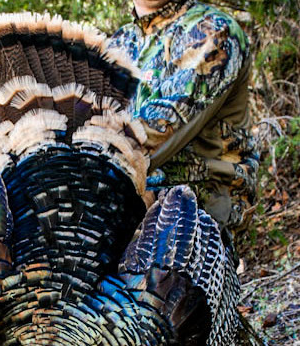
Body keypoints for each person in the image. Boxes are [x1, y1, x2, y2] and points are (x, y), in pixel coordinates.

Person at [108, 0, 258, 241]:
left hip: (198, 217)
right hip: (127, 205)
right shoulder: (119, 43)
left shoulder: (213, 31)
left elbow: (159, 130)